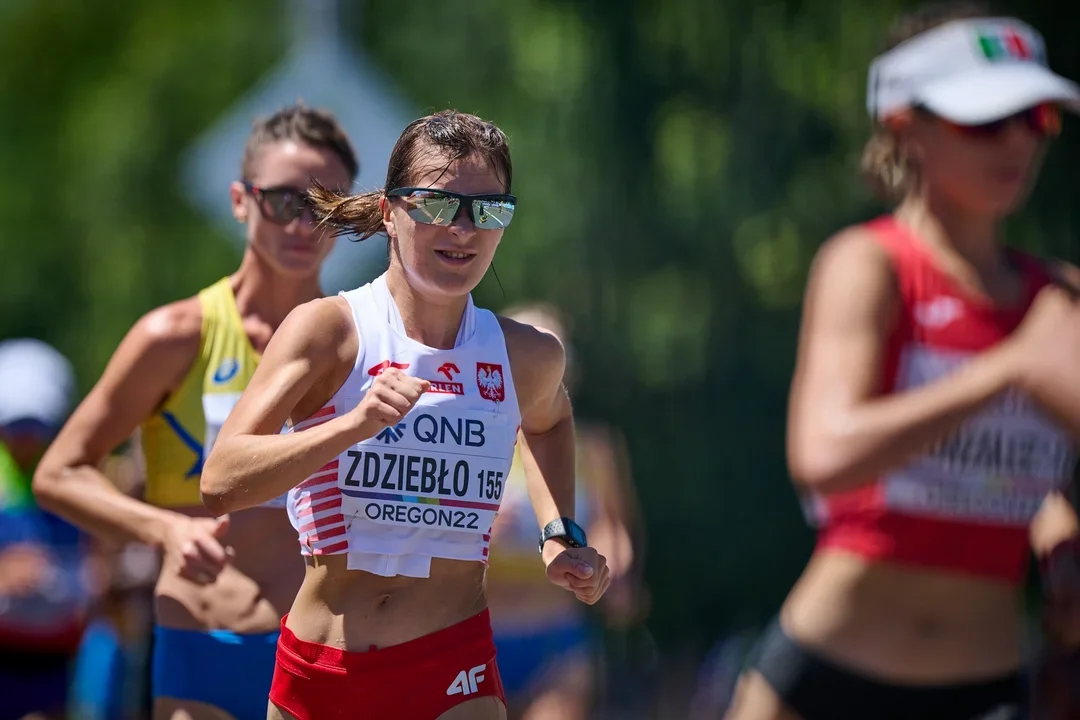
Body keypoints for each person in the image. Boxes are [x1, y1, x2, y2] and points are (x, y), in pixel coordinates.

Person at [726, 4, 1080, 719]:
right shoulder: (871, 265)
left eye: (1036, 117)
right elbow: (824, 453)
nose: (1018, 140)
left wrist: (1061, 540)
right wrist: (1005, 369)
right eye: (986, 120)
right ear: (903, 125)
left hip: (989, 687)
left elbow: (1028, 473)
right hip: (824, 675)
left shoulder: (1060, 298)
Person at [199, 109, 612, 720]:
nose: (464, 229)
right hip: (325, 670)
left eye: (488, 210)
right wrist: (352, 425)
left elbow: (549, 423)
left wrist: (560, 535)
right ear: (389, 211)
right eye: (439, 205)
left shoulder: (527, 356)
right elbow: (220, 481)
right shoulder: (330, 332)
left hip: (453, 665)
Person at [33, 103, 358, 720]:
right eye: (283, 200)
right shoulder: (176, 337)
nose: (302, 223)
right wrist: (165, 530)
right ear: (240, 201)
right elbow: (59, 473)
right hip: (204, 643)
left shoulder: (358, 343)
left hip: (328, 650)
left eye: (324, 205)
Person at [485, 302, 644, 720]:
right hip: (481, 635)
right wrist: (480, 531)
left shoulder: (595, 447)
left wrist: (613, 568)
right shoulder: (475, 440)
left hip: (557, 637)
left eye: (552, 352)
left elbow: (612, 526)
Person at [0, 339, 98, 720]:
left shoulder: (76, 477)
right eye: (15, 427)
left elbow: (96, 561)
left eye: (35, 427)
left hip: (59, 655)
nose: (25, 439)